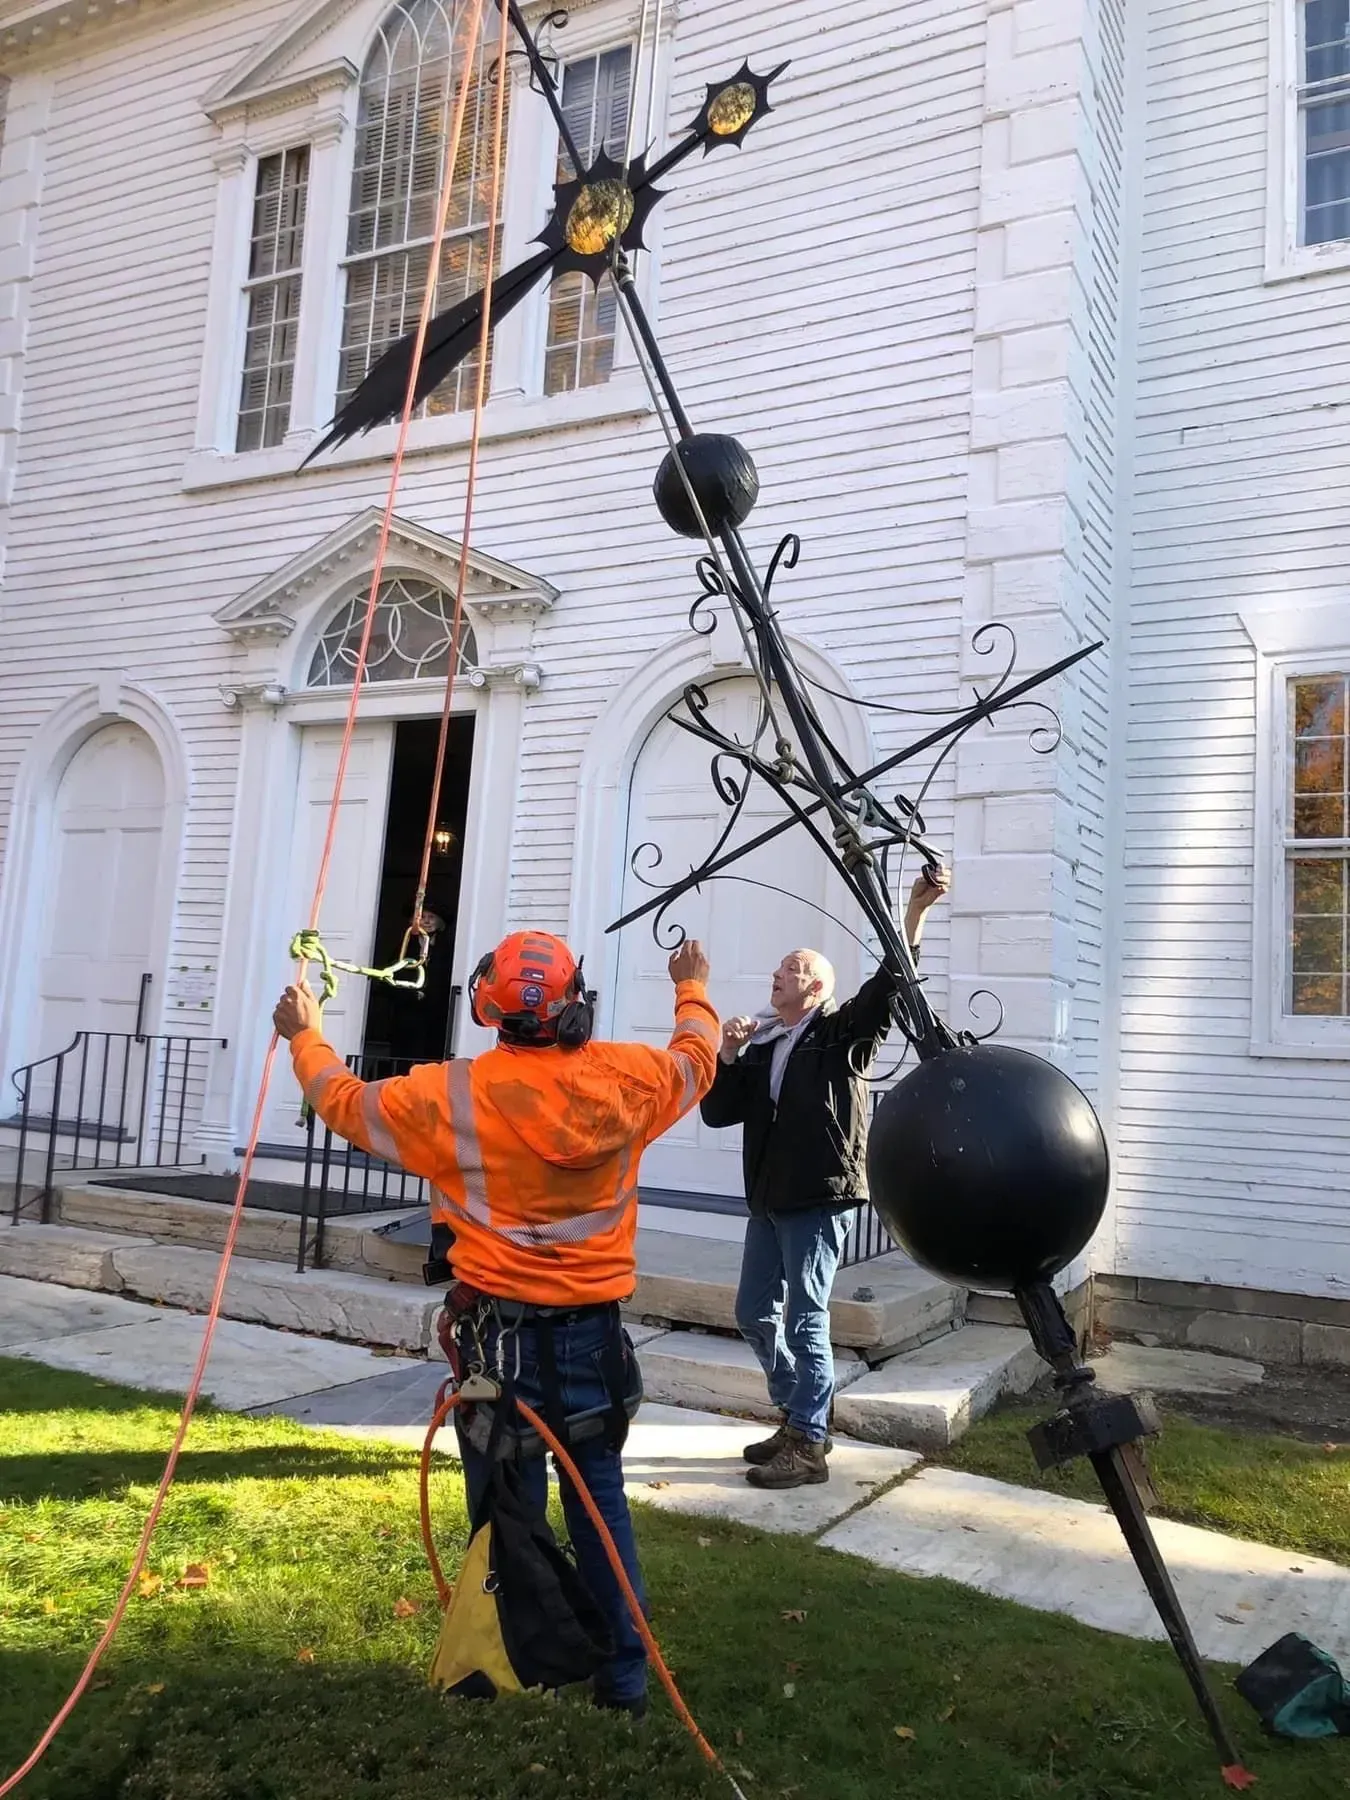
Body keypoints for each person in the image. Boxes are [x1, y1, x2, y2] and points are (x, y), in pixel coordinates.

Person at [272, 929, 718, 1717]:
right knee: (600, 1503)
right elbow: (696, 1061)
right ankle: (622, 1682)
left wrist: (305, 1035)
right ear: (577, 1002)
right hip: (591, 1340)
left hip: (498, 1347)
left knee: (504, 1508)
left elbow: (343, 1102)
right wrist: (692, 985)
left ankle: (507, 1660)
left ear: (488, 1008)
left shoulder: (449, 1095)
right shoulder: (629, 1079)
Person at [699, 866, 951, 1489]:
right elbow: (717, 1111)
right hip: (768, 1200)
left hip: (818, 1197)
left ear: (813, 985)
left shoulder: (841, 1037)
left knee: (805, 1317)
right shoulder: (766, 1043)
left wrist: (913, 915)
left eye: (787, 967)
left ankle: (809, 1442)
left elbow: (888, 988)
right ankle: (800, 1414)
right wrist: (727, 1055)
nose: (774, 975)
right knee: (755, 1312)